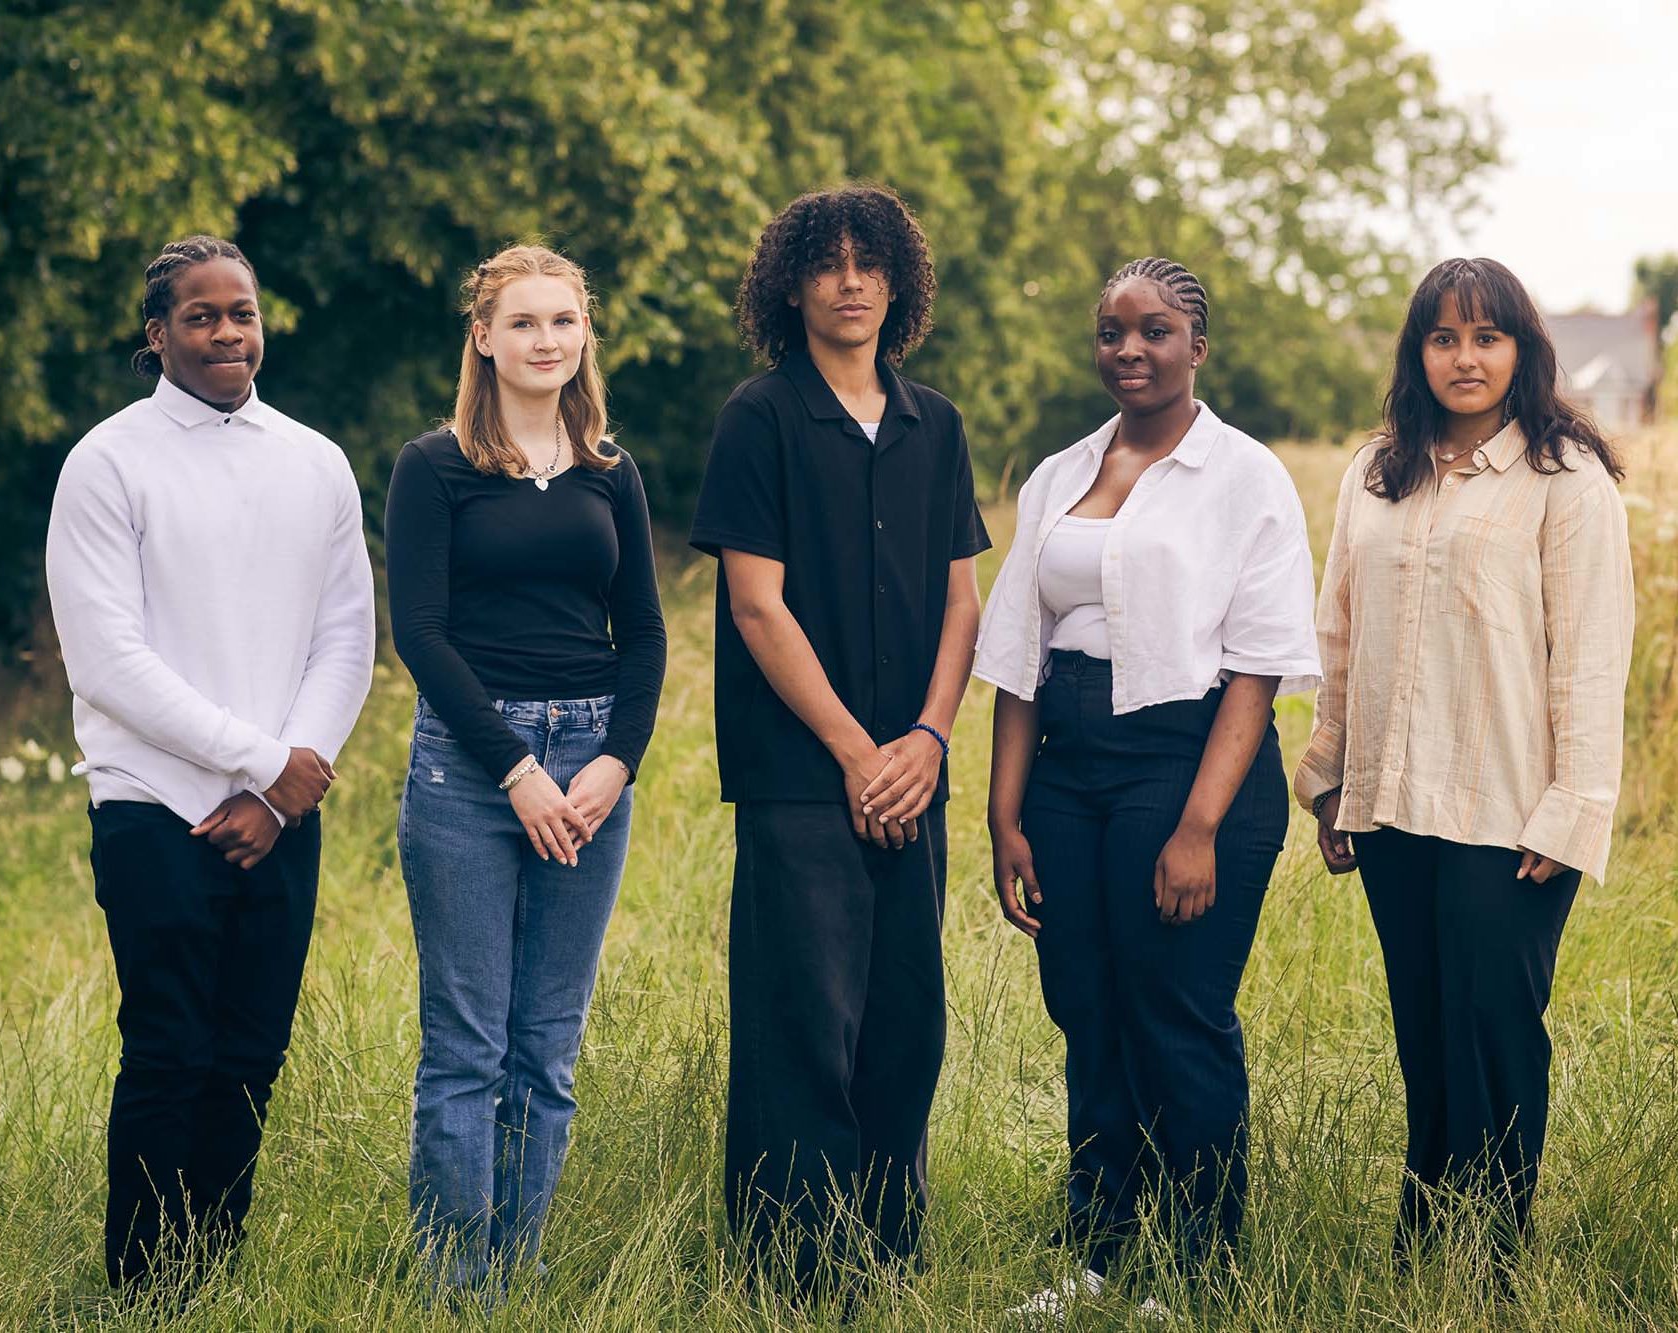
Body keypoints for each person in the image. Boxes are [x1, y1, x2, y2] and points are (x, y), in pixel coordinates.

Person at [976, 257, 1320, 1319]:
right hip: (1065, 772)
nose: (1129, 349)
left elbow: (1257, 669)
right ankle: (1097, 1250)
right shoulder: (1057, 474)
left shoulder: (1245, 476)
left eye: (1155, 331)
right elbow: (1020, 651)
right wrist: (1001, 813)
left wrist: (1199, 826)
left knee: (1174, 1009)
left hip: (1187, 765)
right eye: (1111, 331)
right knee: (1087, 1005)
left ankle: (1199, 1262)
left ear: (1197, 346)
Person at [45, 235, 374, 1295]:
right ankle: (143, 1289)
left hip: (280, 812)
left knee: (249, 1056)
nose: (228, 332)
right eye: (201, 315)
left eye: (242, 312)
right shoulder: (108, 461)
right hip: (153, 806)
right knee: (170, 1051)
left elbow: (345, 638)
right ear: (158, 335)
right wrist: (261, 763)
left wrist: (285, 788)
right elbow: (109, 660)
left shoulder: (315, 460)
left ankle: (212, 1272)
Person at [1294, 257, 1633, 1266]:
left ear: (1523, 349)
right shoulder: (1376, 471)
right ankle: (1422, 1233)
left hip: (1509, 812)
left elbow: (1588, 657)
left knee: (1494, 1028)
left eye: (1487, 336)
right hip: (1394, 803)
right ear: (1417, 352)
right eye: (1443, 337)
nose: (1465, 356)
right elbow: (1339, 635)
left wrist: (1572, 810)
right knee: (1424, 1028)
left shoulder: (1565, 483)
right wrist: (1329, 781)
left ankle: (1495, 1254)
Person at [689, 184, 989, 1293]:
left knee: (906, 1017)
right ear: (792, 285)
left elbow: (963, 605)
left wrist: (926, 739)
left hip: (916, 774)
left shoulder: (938, 423)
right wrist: (858, 753)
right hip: (799, 780)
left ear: (900, 282)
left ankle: (887, 1256)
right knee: (801, 1021)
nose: (851, 281)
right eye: (827, 264)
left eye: (870, 263)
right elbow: (756, 606)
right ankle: (795, 1275)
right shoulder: (758, 418)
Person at [385, 244, 666, 1290]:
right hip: (472, 769)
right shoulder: (435, 464)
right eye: (525, 322)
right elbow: (419, 632)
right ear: (483, 338)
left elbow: (641, 631)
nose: (547, 339)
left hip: (590, 764)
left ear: (585, 334)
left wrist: (616, 764)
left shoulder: (611, 469)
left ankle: (519, 1270)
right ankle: (457, 1286)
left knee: (546, 1049)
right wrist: (514, 768)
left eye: (564, 321)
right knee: (466, 1046)